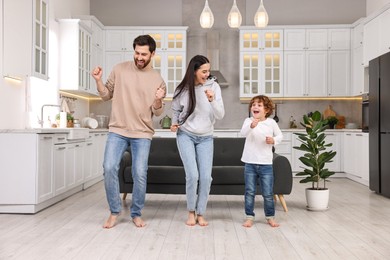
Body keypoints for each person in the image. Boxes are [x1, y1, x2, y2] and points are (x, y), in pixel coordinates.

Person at [91, 35, 166, 229]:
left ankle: (136, 213)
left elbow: (157, 112)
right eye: (137, 53)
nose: (139, 57)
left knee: (139, 172)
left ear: (152, 54)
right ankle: (114, 211)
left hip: (142, 132)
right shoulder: (119, 69)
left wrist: (158, 100)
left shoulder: (157, 79)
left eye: (144, 54)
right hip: (118, 129)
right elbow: (106, 95)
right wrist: (98, 80)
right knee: (109, 167)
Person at [170, 55, 225, 226]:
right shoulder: (183, 89)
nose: (207, 74)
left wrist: (212, 100)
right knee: (193, 176)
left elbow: (220, 115)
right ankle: (191, 212)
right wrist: (174, 123)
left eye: (208, 70)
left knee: (206, 178)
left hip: (206, 137)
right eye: (204, 71)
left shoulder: (214, 87)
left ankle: (201, 212)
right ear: (194, 71)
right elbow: (175, 110)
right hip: (185, 134)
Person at [240, 95, 283, 228]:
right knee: (250, 192)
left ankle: (270, 217)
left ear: (266, 110)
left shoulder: (271, 123)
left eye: (259, 105)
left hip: (266, 163)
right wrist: (251, 126)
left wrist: (274, 140)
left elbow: (280, 135)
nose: (255, 107)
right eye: (253, 105)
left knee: (268, 193)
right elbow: (243, 133)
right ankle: (249, 217)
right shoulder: (248, 121)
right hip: (250, 162)